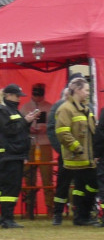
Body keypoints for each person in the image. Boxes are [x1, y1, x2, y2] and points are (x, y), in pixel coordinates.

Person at [54, 76, 98, 226]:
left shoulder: (86, 109)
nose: (87, 93)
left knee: (88, 186)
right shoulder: (65, 109)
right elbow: (62, 133)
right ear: (78, 90)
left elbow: (93, 133)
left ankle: (81, 216)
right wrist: (77, 148)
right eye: (86, 90)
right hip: (75, 157)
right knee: (66, 186)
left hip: (87, 158)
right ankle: (65, 215)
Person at [0, 84, 37, 229]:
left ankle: (8, 218)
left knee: (14, 187)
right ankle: (6, 218)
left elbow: (18, 131)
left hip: (15, 154)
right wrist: (26, 121)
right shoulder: (2, 111)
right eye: (17, 96)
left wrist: (26, 121)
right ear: (8, 96)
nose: (19, 99)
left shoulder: (12, 110)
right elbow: (9, 131)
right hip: (8, 155)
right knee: (9, 188)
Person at [20, 83, 53, 216]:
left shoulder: (50, 107)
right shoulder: (25, 107)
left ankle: (50, 208)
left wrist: (47, 128)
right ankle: (29, 208)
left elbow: (55, 126)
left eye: (40, 95)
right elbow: (20, 126)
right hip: (30, 144)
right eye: (35, 95)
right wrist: (28, 128)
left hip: (45, 144)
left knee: (47, 176)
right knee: (29, 177)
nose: (37, 98)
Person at [47, 83, 73, 225]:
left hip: (81, 154)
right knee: (63, 184)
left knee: (81, 185)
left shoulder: (85, 107)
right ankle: (57, 214)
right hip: (66, 154)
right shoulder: (59, 107)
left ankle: (81, 213)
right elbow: (52, 130)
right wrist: (60, 149)